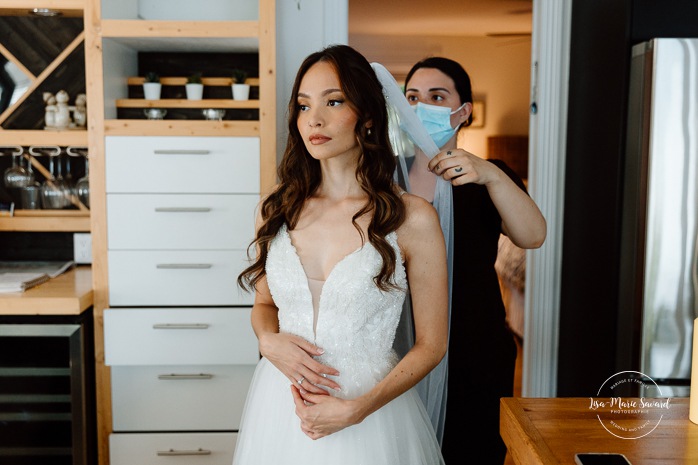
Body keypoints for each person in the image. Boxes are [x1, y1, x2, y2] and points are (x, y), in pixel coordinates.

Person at [233, 44, 448, 465]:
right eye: (303, 105)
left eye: (333, 102)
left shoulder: (411, 218)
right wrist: (268, 341)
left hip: (370, 411)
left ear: (366, 118)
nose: (314, 119)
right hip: (280, 405)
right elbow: (264, 305)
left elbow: (432, 344)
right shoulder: (274, 209)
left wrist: (357, 410)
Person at [399, 57, 547, 464]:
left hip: (474, 348)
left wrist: (491, 175)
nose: (421, 106)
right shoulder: (384, 181)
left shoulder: (488, 176)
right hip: (399, 349)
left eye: (436, 96)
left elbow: (532, 235)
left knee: (472, 450)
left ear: (462, 112)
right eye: (412, 97)